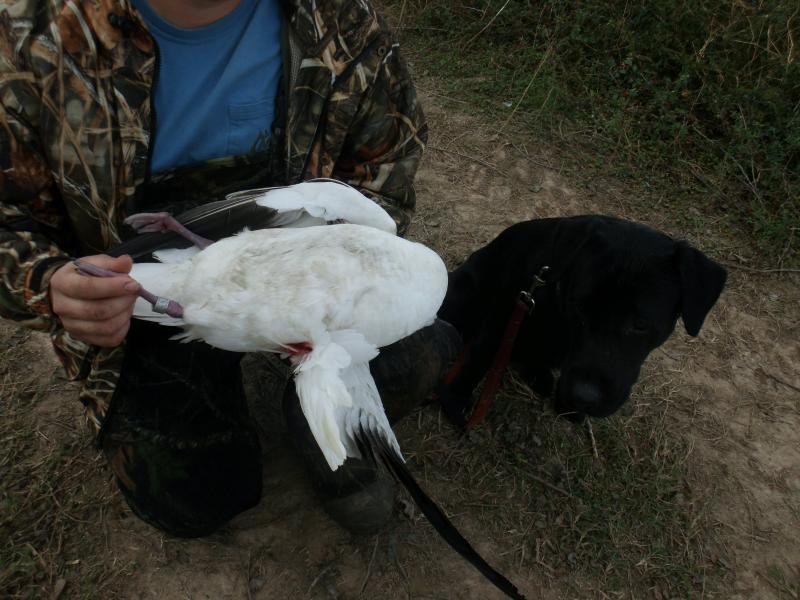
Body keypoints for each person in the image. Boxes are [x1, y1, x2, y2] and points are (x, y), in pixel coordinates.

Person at [0, 0, 460, 537]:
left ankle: (319, 415)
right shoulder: (26, 38)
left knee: (427, 345)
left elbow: (386, 175)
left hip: (306, 278)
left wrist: (330, 276)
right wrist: (48, 283)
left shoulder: (341, 24)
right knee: (199, 495)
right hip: (143, 297)